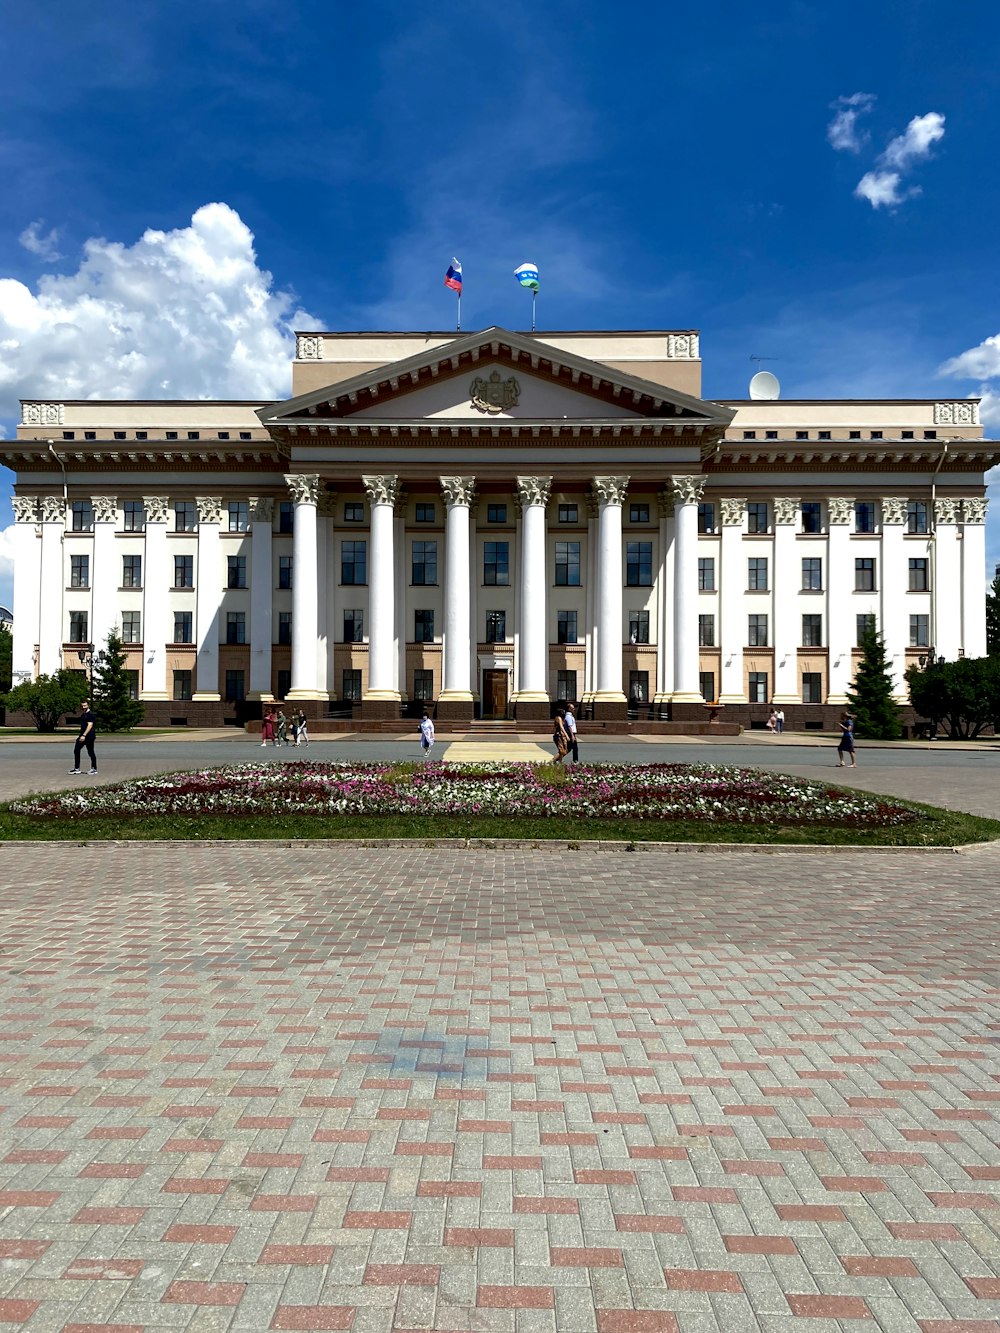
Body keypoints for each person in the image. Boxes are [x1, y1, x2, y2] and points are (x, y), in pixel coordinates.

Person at [69, 699, 98, 775]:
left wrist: (84, 735)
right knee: (76, 750)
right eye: (82, 706)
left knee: (90, 752)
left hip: (89, 736)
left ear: (88, 705)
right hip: (82, 736)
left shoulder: (90, 714)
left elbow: (90, 725)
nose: (83, 707)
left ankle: (94, 769)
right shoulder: (83, 714)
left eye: (85, 705)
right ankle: (77, 768)